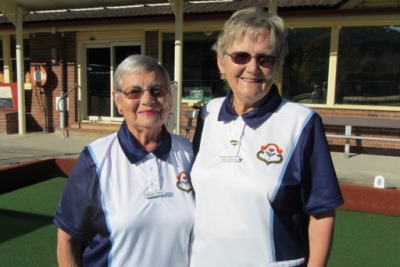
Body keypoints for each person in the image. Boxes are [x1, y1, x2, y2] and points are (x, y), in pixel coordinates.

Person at [190, 7, 343, 267]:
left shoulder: (302, 123)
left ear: (277, 65)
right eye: (241, 56)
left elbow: (321, 211)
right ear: (221, 61)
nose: (253, 68)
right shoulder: (208, 113)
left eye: (265, 59)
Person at [54, 55, 195, 266]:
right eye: (134, 92)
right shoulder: (94, 159)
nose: (148, 100)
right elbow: (67, 239)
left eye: (158, 91)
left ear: (170, 100)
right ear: (118, 101)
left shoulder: (190, 154)